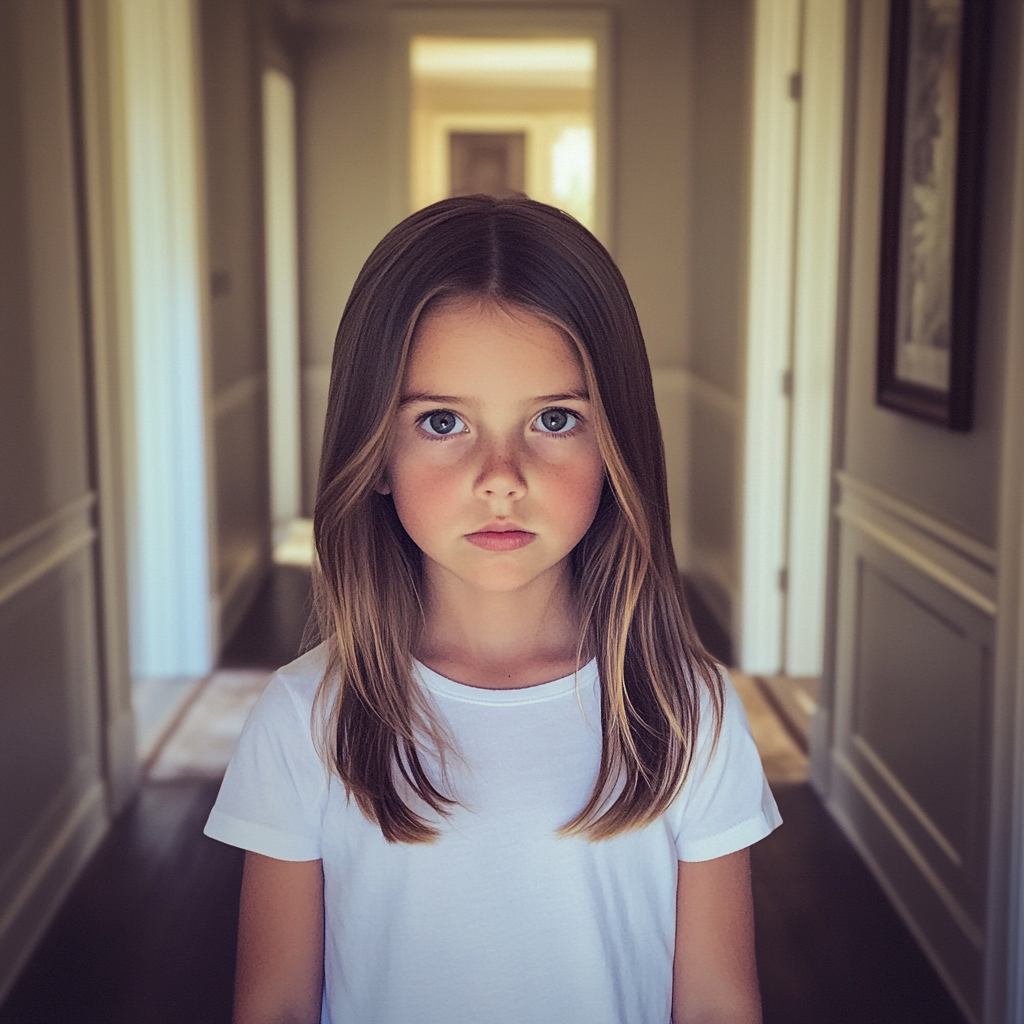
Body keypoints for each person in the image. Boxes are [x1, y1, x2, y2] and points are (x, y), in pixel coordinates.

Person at [204, 195, 782, 1024]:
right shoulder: (305, 719)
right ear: (374, 454)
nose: (500, 476)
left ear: (616, 444)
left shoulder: (690, 712)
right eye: (443, 421)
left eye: (554, 418)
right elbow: (276, 1007)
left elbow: (720, 1005)